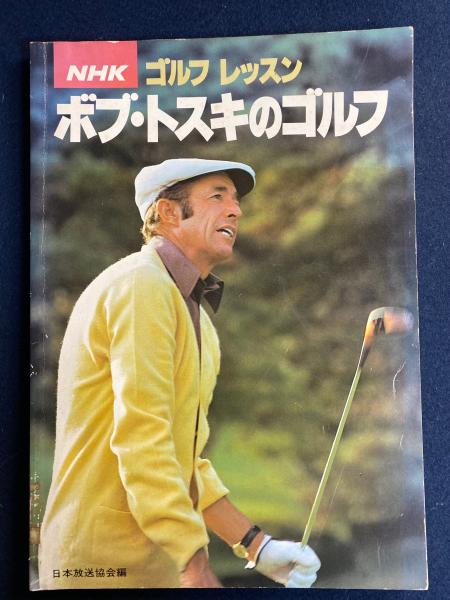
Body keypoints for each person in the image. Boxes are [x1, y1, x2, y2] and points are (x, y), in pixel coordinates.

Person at [38, 158, 321, 589]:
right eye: (217, 196)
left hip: (154, 567)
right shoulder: (141, 285)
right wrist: (195, 564)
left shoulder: (196, 317)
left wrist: (257, 545)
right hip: (101, 568)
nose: (236, 210)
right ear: (168, 212)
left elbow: (184, 460)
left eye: (235, 200)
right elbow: (143, 440)